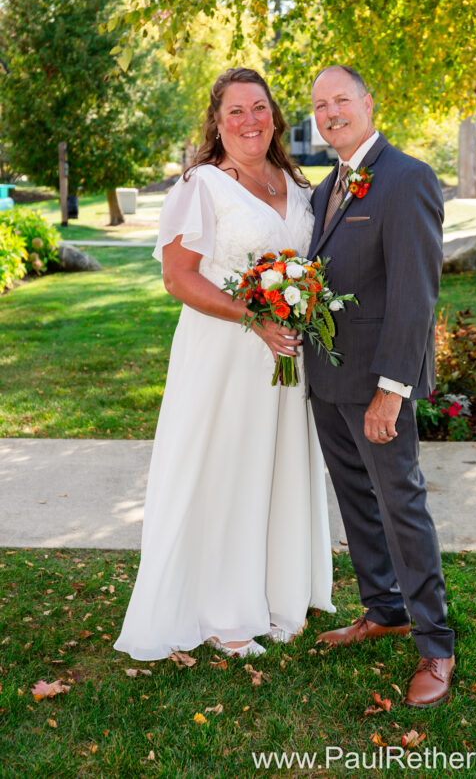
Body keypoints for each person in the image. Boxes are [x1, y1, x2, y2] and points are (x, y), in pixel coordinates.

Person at [114, 67, 334, 661]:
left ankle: (278, 593)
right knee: (226, 472)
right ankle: (223, 613)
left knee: (278, 464)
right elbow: (177, 277)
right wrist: (253, 317)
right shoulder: (202, 186)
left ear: (275, 116)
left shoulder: (294, 180)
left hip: (285, 357)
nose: (249, 121)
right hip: (226, 354)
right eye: (235, 111)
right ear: (216, 121)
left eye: (259, 108)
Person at [303, 65, 455, 708]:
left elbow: (416, 296)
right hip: (327, 377)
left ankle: (436, 644)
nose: (331, 111)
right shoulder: (322, 190)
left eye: (342, 100)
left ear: (368, 103)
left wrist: (392, 390)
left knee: (401, 505)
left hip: (377, 383)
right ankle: (384, 608)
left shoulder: (407, 178)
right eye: (319, 104)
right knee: (356, 501)